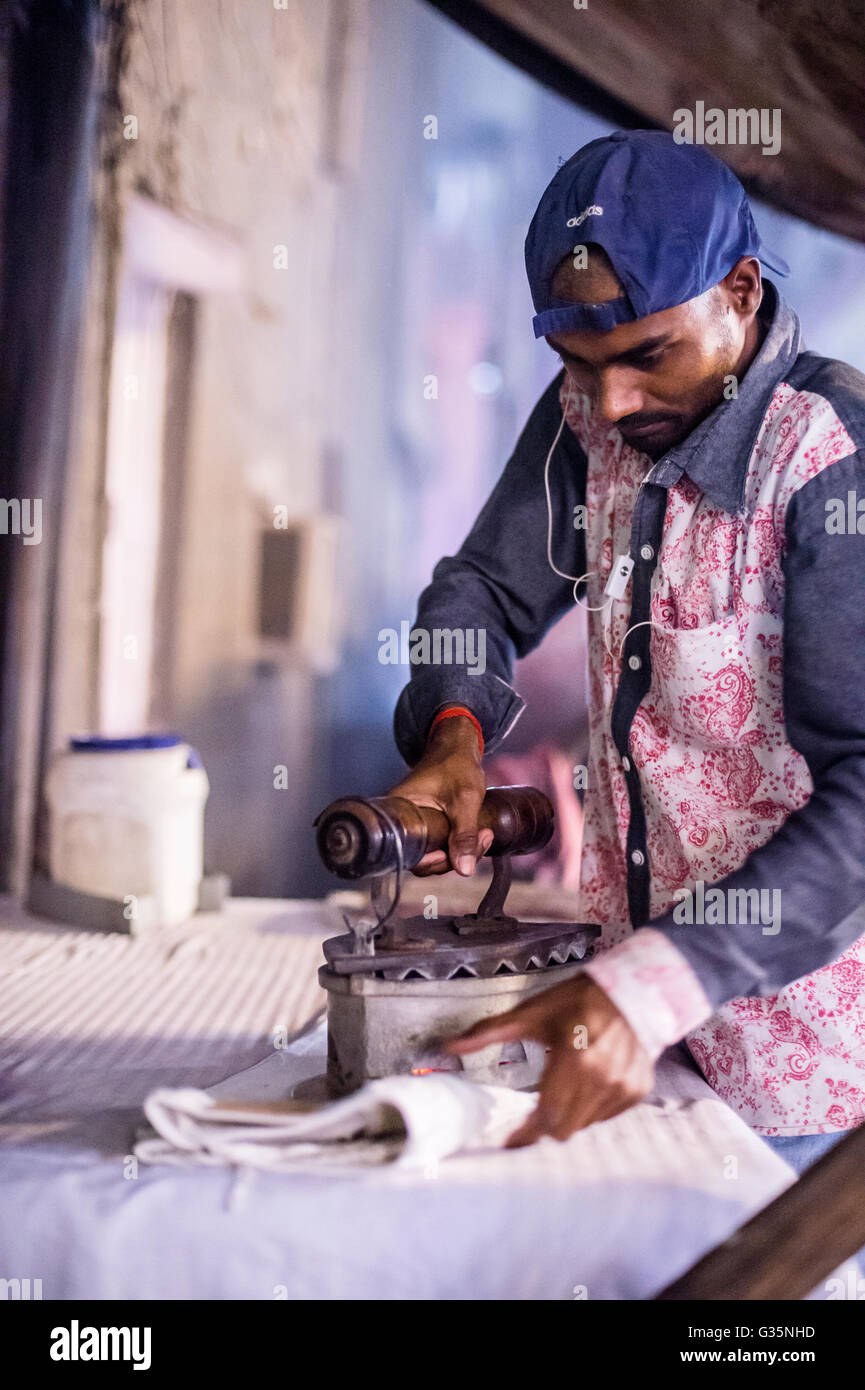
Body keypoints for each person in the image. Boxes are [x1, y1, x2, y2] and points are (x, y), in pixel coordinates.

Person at [387, 131, 865, 1174]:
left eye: (650, 356)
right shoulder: (592, 421)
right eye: (578, 365)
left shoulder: (827, 458)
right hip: (638, 1035)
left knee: (767, 1326)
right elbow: (482, 590)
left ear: (739, 292)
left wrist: (653, 985)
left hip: (809, 1068)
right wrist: (456, 734)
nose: (609, 404)